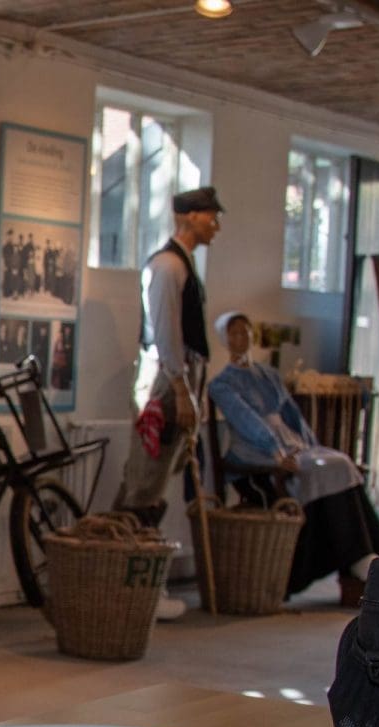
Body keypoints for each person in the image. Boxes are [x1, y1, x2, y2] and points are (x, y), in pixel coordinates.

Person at [207, 311, 379, 604]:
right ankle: (355, 556)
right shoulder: (222, 383)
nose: (242, 338)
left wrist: (310, 445)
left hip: (291, 442)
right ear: (225, 339)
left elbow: (291, 413)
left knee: (339, 463)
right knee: (324, 469)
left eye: (246, 331)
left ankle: (371, 555)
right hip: (256, 449)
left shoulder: (268, 375)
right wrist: (275, 450)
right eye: (235, 333)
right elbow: (245, 419)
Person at [113, 186, 224, 620]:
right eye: (210, 216)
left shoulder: (184, 264)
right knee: (146, 483)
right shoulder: (166, 266)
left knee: (152, 480)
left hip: (178, 377)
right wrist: (180, 389)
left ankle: (132, 580)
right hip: (162, 382)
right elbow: (165, 333)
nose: (215, 225)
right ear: (190, 216)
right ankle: (137, 585)